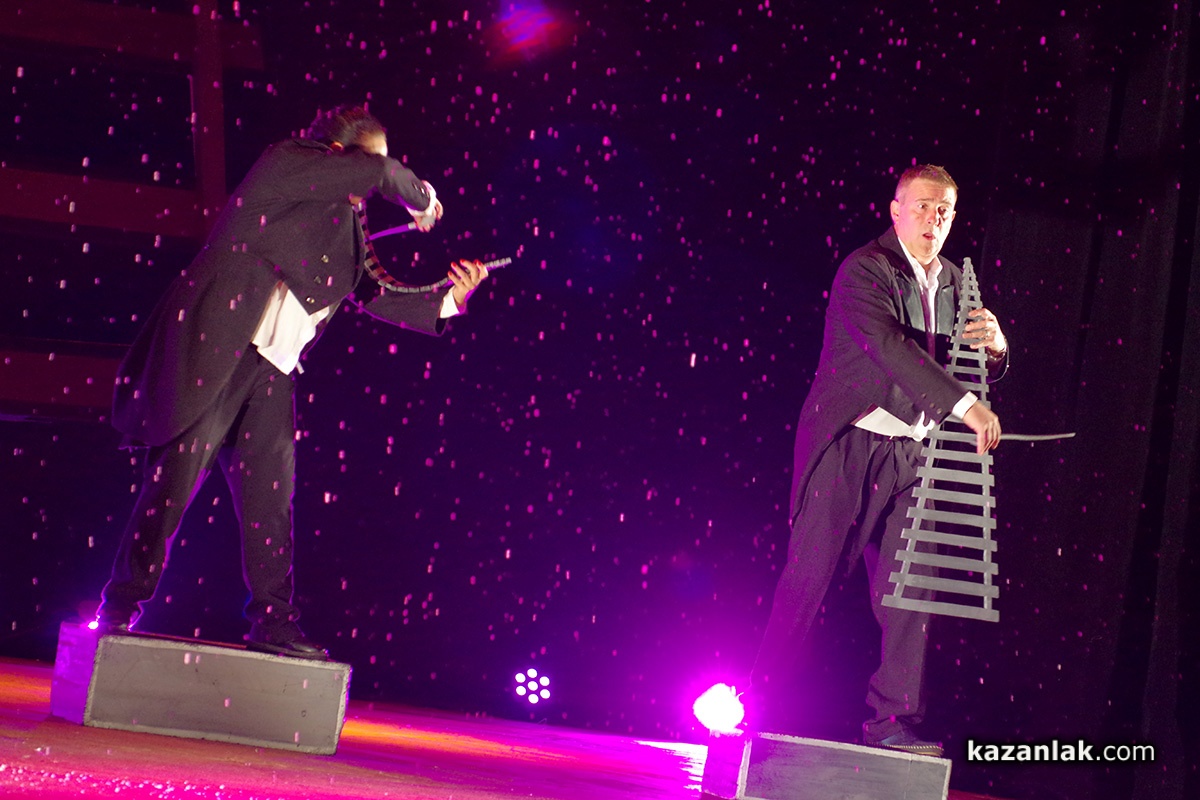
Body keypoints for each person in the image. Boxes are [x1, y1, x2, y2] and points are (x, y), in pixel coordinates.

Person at [93, 105, 489, 660]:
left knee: (270, 502)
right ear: (337, 154)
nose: (372, 183)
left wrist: (450, 298)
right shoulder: (283, 165)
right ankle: (118, 607)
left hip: (273, 373)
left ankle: (273, 622)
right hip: (218, 352)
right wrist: (419, 196)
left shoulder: (348, 227)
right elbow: (379, 173)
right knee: (171, 486)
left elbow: (374, 291)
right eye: (368, 162)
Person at [747, 164, 1008, 755]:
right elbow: (891, 347)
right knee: (811, 580)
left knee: (909, 591)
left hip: (911, 455)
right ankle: (760, 706)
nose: (933, 220)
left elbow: (966, 358)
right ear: (896, 210)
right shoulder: (865, 269)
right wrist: (966, 407)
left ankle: (893, 720)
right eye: (922, 207)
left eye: (944, 211)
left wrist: (996, 349)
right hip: (851, 445)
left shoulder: (954, 282)